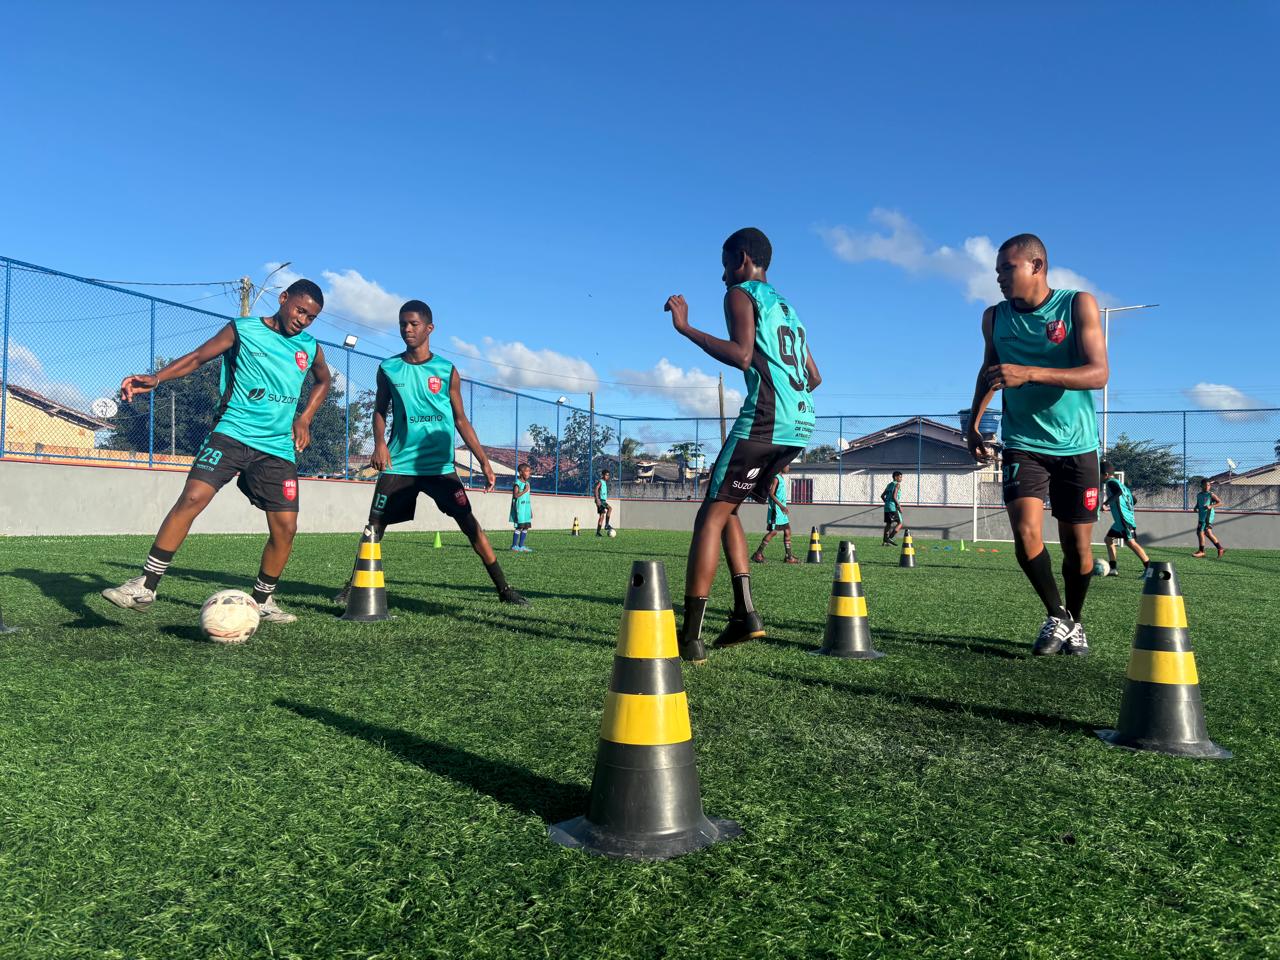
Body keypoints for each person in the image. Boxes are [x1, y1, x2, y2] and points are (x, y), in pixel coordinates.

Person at [102, 280, 330, 622]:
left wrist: (306, 417)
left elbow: (323, 380)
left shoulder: (310, 347)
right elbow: (197, 357)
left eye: (311, 317)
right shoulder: (243, 329)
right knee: (192, 498)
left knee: (286, 528)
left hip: (277, 447)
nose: (303, 320)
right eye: (300, 310)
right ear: (283, 299)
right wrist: (157, 378)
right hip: (231, 433)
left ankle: (264, 602)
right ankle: (144, 586)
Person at [664, 227, 821, 663]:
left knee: (708, 517)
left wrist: (686, 328)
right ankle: (744, 614)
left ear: (741, 258)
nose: (721, 277)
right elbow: (814, 377)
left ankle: (689, 637)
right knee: (728, 508)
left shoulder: (741, 294)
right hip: (800, 424)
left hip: (766, 421)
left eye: (723, 264)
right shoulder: (789, 309)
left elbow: (742, 355)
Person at [965, 234, 1107, 657]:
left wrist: (1030, 372)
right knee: (1025, 533)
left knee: (1078, 548)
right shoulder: (994, 317)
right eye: (997, 271)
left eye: (1008, 269)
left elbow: (1098, 374)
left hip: (1077, 445)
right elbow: (988, 371)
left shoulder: (1077, 304)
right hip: (1022, 442)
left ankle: (1075, 623)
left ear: (1037, 266)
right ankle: (1057, 615)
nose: (1000, 278)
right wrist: (972, 425)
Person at [334, 300, 527, 606]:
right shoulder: (388, 368)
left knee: (470, 525)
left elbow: (461, 419)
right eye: (402, 324)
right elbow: (379, 410)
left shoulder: (446, 370)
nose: (407, 329)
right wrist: (379, 443)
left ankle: (504, 589)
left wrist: (484, 462)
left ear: (429, 328)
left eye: (413, 324)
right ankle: (352, 586)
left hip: (439, 468)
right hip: (399, 465)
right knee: (374, 528)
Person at [1101, 460, 1149, 575]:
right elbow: (1134, 499)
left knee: (1131, 543)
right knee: (1108, 540)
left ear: (1106, 475)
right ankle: (1113, 569)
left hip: (1124, 520)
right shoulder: (1122, 485)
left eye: (1100, 474)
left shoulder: (1111, 482)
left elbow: (1118, 493)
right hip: (1120, 521)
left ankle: (1149, 568)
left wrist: (1106, 504)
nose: (1099, 477)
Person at [751, 463, 798, 563]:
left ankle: (789, 557)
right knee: (774, 532)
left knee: (787, 531)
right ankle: (758, 554)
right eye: (787, 465)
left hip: (781, 512)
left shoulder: (781, 478)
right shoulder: (775, 478)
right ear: (782, 466)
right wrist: (781, 506)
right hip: (776, 511)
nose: (789, 467)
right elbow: (771, 494)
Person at [1193, 478, 1226, 558]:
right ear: (1201, 485)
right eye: (1206, 485)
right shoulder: (1199, 495)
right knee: (1207, 533)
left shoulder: (1210, 494)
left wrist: (1211, 506)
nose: (1208, 486)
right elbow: (1198, 503)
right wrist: (1195, 507)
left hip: (1208, 516)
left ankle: (1201, 551)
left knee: (1200, 532)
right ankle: (1220, 548)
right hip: (1201, 515)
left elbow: (1220, 503)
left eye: (1209, 485)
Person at [510, 462, 534, 552]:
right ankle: (514, 546)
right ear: (520, 472)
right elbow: (515, 495)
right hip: (520, 508)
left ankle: (521, 546)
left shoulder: (528, 483)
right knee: (519, 527)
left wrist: (530, 510)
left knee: (526, 526)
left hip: (526, 508)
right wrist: (524, 491)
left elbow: (528, 497)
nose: (529, 473)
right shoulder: (517, 483)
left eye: (529, 471)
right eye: (527, 471)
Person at [881, 470, 905, 545]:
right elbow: (894, 497)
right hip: (892, 506)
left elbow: (882, 496)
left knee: (888, 524)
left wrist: (887, 502)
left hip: (887, 506)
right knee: (900, 523)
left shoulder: (889, 485)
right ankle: (890, 538)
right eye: (900, 477)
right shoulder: (897, 484)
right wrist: (899, 506)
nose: (901, 479)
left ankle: (885, 540)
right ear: (895, 477)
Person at [594, 469, 613, 536]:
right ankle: (607, 525)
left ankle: (598, 532)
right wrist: (597, 499)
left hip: (602, 500)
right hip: (601, 500)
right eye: (606, 475)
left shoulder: (604, 482)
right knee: (610, 508)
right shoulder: (601, 481)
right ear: (603, 475)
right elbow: (596, 488)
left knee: (602, 516)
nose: (607, 476)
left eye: (608, 475)